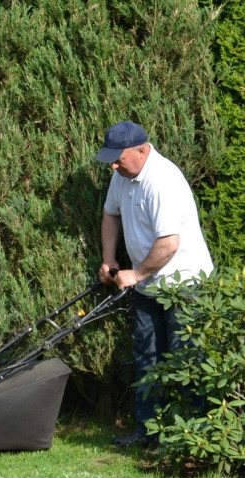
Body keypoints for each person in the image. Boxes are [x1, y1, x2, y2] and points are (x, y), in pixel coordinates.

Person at [95, 120, 214, 447]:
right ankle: (147, 432)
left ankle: (192, 439)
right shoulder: (122, 176)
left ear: (142, 150)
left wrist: (135, 274)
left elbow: (169, 244)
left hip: (184, 284)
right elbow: (110, 214)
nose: (113, 166)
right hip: (149, 284)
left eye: (118, 159)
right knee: (146, 357)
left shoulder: (162, 180)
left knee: (185, 359)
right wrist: (109, 258)